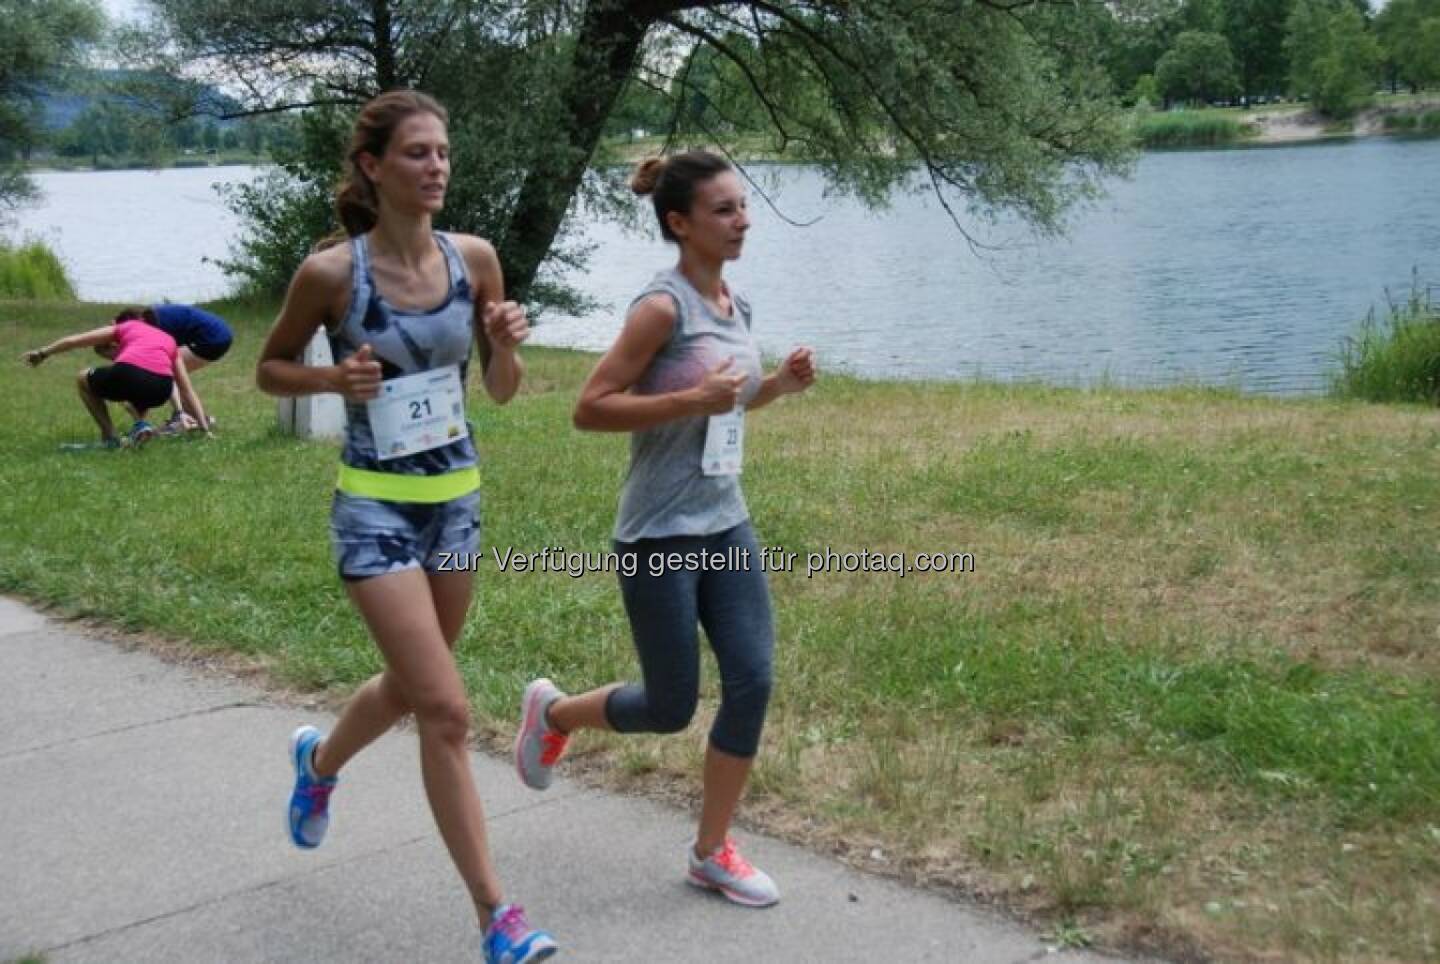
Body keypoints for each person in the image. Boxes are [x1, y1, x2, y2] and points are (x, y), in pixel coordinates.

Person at [254, 90, 555, 964]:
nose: (436, 168)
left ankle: (317, 766)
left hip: (454, 501)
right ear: (372, 167)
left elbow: (500, 391)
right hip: (373, 509)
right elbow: (270, 369)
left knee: (414, 685)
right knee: (448, 711)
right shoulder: (332, 276)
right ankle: (498, 917)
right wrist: (330, 384)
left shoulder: (476, 261)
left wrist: (504, 341)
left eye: (444, 153)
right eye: (418, 153)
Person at [513, 150, 817, 908]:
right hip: (657, 535)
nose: (741, 220)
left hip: (726, 523)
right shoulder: (661, 308)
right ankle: (552, 713)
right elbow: (589, 408)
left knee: (753, 680)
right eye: (723, 210)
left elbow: (730, 404)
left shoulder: (735, 306)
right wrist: (689, 403)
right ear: (679, 223)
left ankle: (711, 852)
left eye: (742, 206)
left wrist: (775, 385)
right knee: (670, 704)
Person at [22, 312, 204, 449]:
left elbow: (74, 341)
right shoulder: (169, 339)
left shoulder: (127, 327)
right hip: (162, 390)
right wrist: (205, 428)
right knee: (138, 391)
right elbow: (186, 389)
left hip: (129, 375)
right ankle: (140, 426)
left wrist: (42, 353)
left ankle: (110, 438)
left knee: (83, 378)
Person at [115, 304, 231, 433]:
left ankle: (185, 418)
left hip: (212, 338)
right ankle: (196, 419)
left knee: (167, 371)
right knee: (169, 373)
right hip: (219, 333)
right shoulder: (150, 318)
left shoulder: (152, 328)